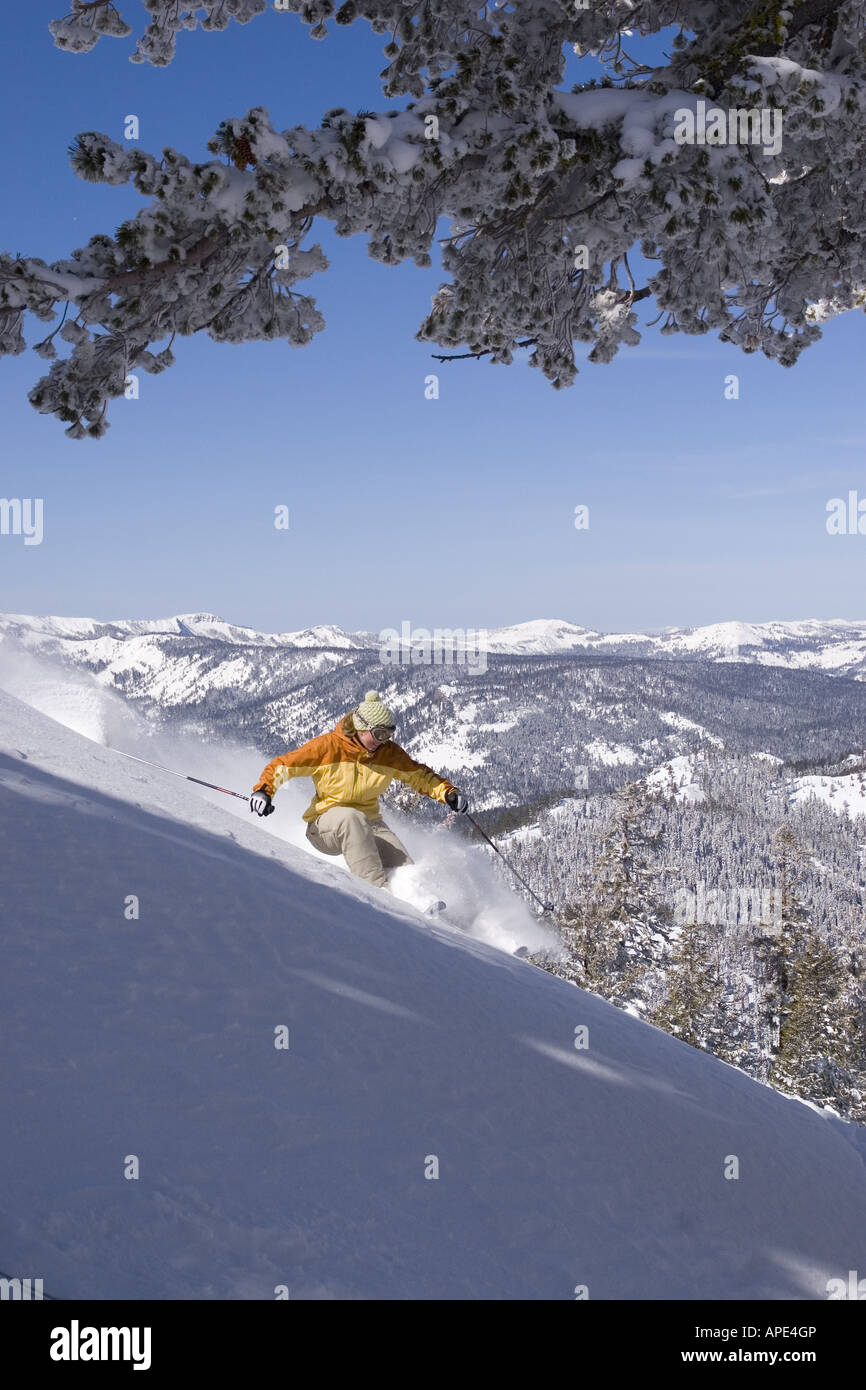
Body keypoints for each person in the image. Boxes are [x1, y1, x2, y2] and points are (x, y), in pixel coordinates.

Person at [249, 690, 469, 888]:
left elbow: (420, 776)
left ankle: (419, 901)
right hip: (325, 826)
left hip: (371, 824)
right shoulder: (327, 748)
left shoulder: (388, 754)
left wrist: (448, 793)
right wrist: (264, 791)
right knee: (351, 817)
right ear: (361, 727)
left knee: (403, 868)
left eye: (388, 735)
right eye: (379, 734)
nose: (383, 741)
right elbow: (283, 766)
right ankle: (379, 895)